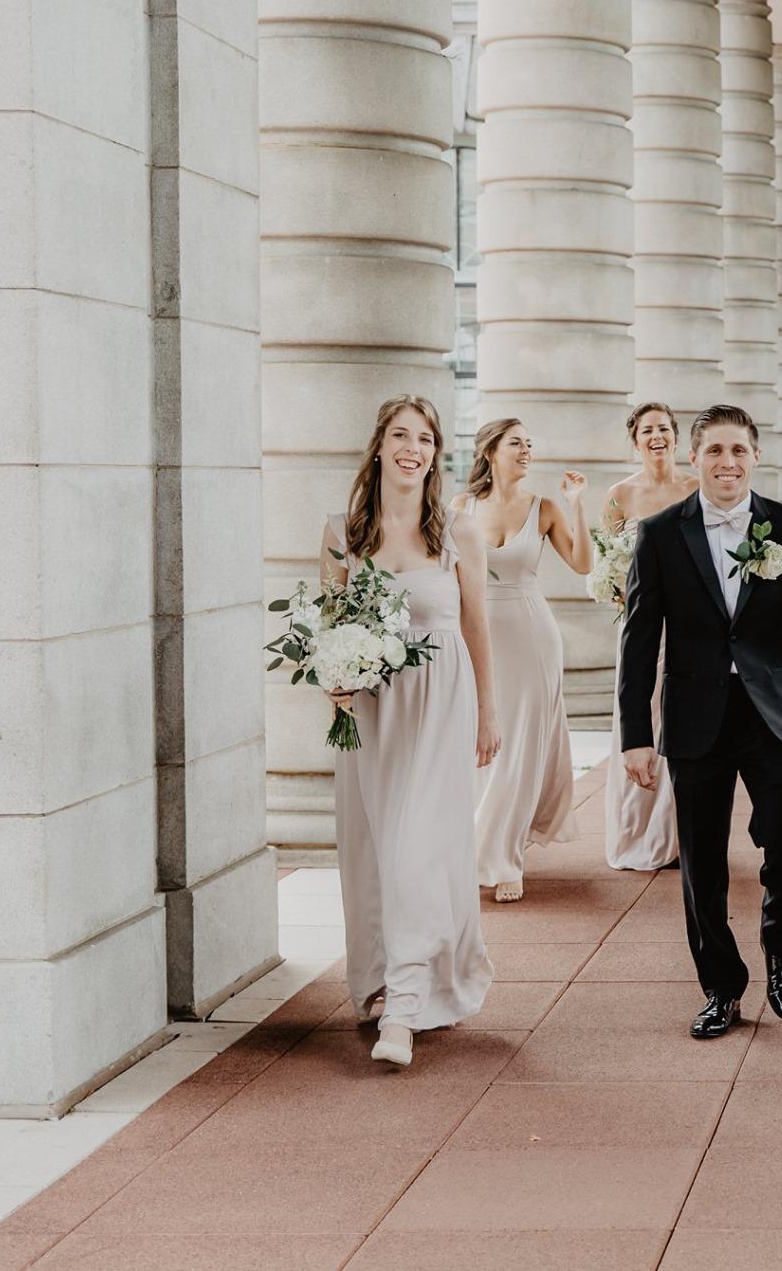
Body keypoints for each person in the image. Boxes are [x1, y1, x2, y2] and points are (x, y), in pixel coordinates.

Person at [617, 405, 782, 1039]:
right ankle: (720, 986)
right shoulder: (660, 533)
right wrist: (636, 734)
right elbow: (639, 641)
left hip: (776, 713)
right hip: (695, 717)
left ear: (756, 456)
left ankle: (780, 946)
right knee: (701, 861)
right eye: (715, 451)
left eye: (738, 451)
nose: (727, 463)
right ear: (695, 458)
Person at [323, 395, 496, 1069]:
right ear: (379, 445)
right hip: (370, 711)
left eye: (425, 438)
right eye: (401, 434)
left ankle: (404, 1006)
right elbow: (328, 625)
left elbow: (476, 624)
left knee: (420, 846)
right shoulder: (342, 532)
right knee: (375, 845)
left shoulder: (459, 533)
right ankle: (384, 979)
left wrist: (490, 709)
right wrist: (331, 681)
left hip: (440, 702)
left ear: (435, 453)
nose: (413, 447)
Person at [452, 419, 593, 902]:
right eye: (517, 443)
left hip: (531, 635)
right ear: (491, 451)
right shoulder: (461, 508)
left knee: (520, 746)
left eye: (530, 443)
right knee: (480, 741)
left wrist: (577, 507)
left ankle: (505, 857)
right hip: (475, 631)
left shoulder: (545, 507)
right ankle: (473, 844)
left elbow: (582, 564)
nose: (527, 450)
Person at [602, 402, 698, 871]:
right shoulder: (619, 495)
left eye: (663, 428)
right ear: (635, 440)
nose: (656, 436)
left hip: (692, 623)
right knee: (638, 713)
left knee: (682, 717)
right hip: (641, 625)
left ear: (676, 437)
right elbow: (609, 562)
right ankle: (635, 831)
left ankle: (678, 833)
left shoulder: (697, 488)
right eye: (647, 430)